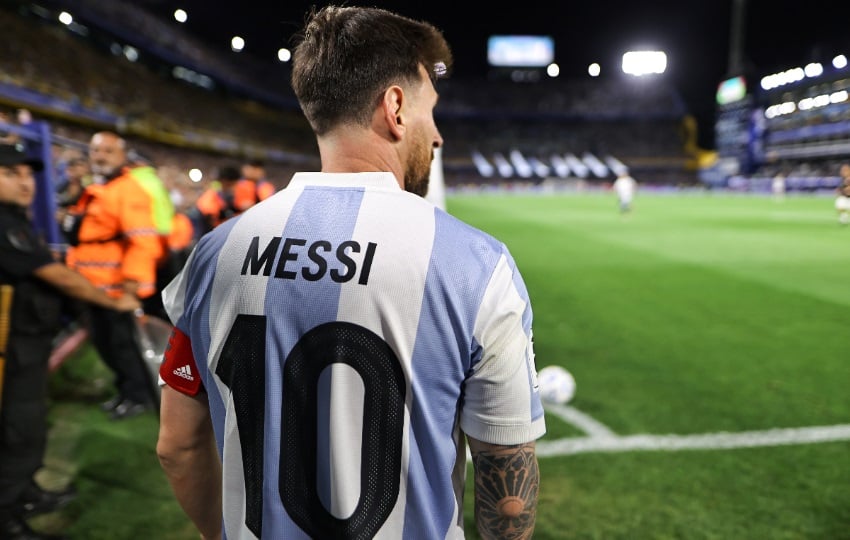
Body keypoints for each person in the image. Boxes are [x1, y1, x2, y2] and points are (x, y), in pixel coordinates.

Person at [156, 6, 545, 540]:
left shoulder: (213, 254)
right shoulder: (477, 265)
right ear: (396, 106)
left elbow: (176, 446)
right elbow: (506, 493)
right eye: (432, 111)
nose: (437, 136)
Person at [0, 144, 140, 540]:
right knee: (19, 427)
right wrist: (111, 301)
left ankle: (26, 493)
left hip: (26, 340)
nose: (25, 182)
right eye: (11, 173)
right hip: (12, 346)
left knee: (26, 422)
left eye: (27, 174)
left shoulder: (13, 217)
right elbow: (55, 275)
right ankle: (7, 519)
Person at [63, 131, 165, 420]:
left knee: (123, 347)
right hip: (93, 287)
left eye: (108, 151)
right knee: (107, 346)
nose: (100, 156)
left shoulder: (128, 189)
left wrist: (132, 291)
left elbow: (143, 241)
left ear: (122, 156)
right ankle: (125, 391)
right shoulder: (101, 187)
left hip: (116, 291)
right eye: (96, 151)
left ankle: (137, 396)